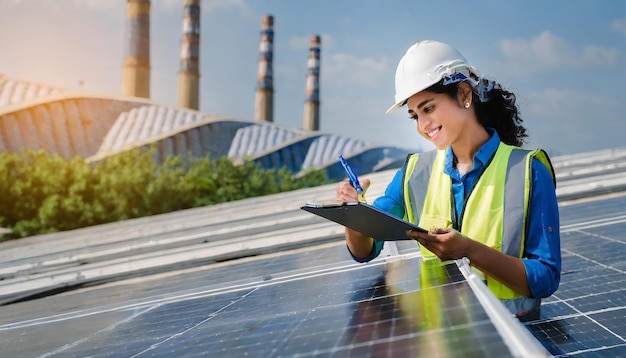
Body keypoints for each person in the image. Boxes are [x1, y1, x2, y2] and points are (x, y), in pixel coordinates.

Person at [335, 40, 561, 321]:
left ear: (464, 94)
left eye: (428, 109)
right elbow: (366, 249)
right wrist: (354, 217)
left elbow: (546, 278)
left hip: (515, 337)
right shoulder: (414, 172)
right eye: (415, 116)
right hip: (441, 341)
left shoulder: (528, 170)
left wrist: (468, 250)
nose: (422, 125)